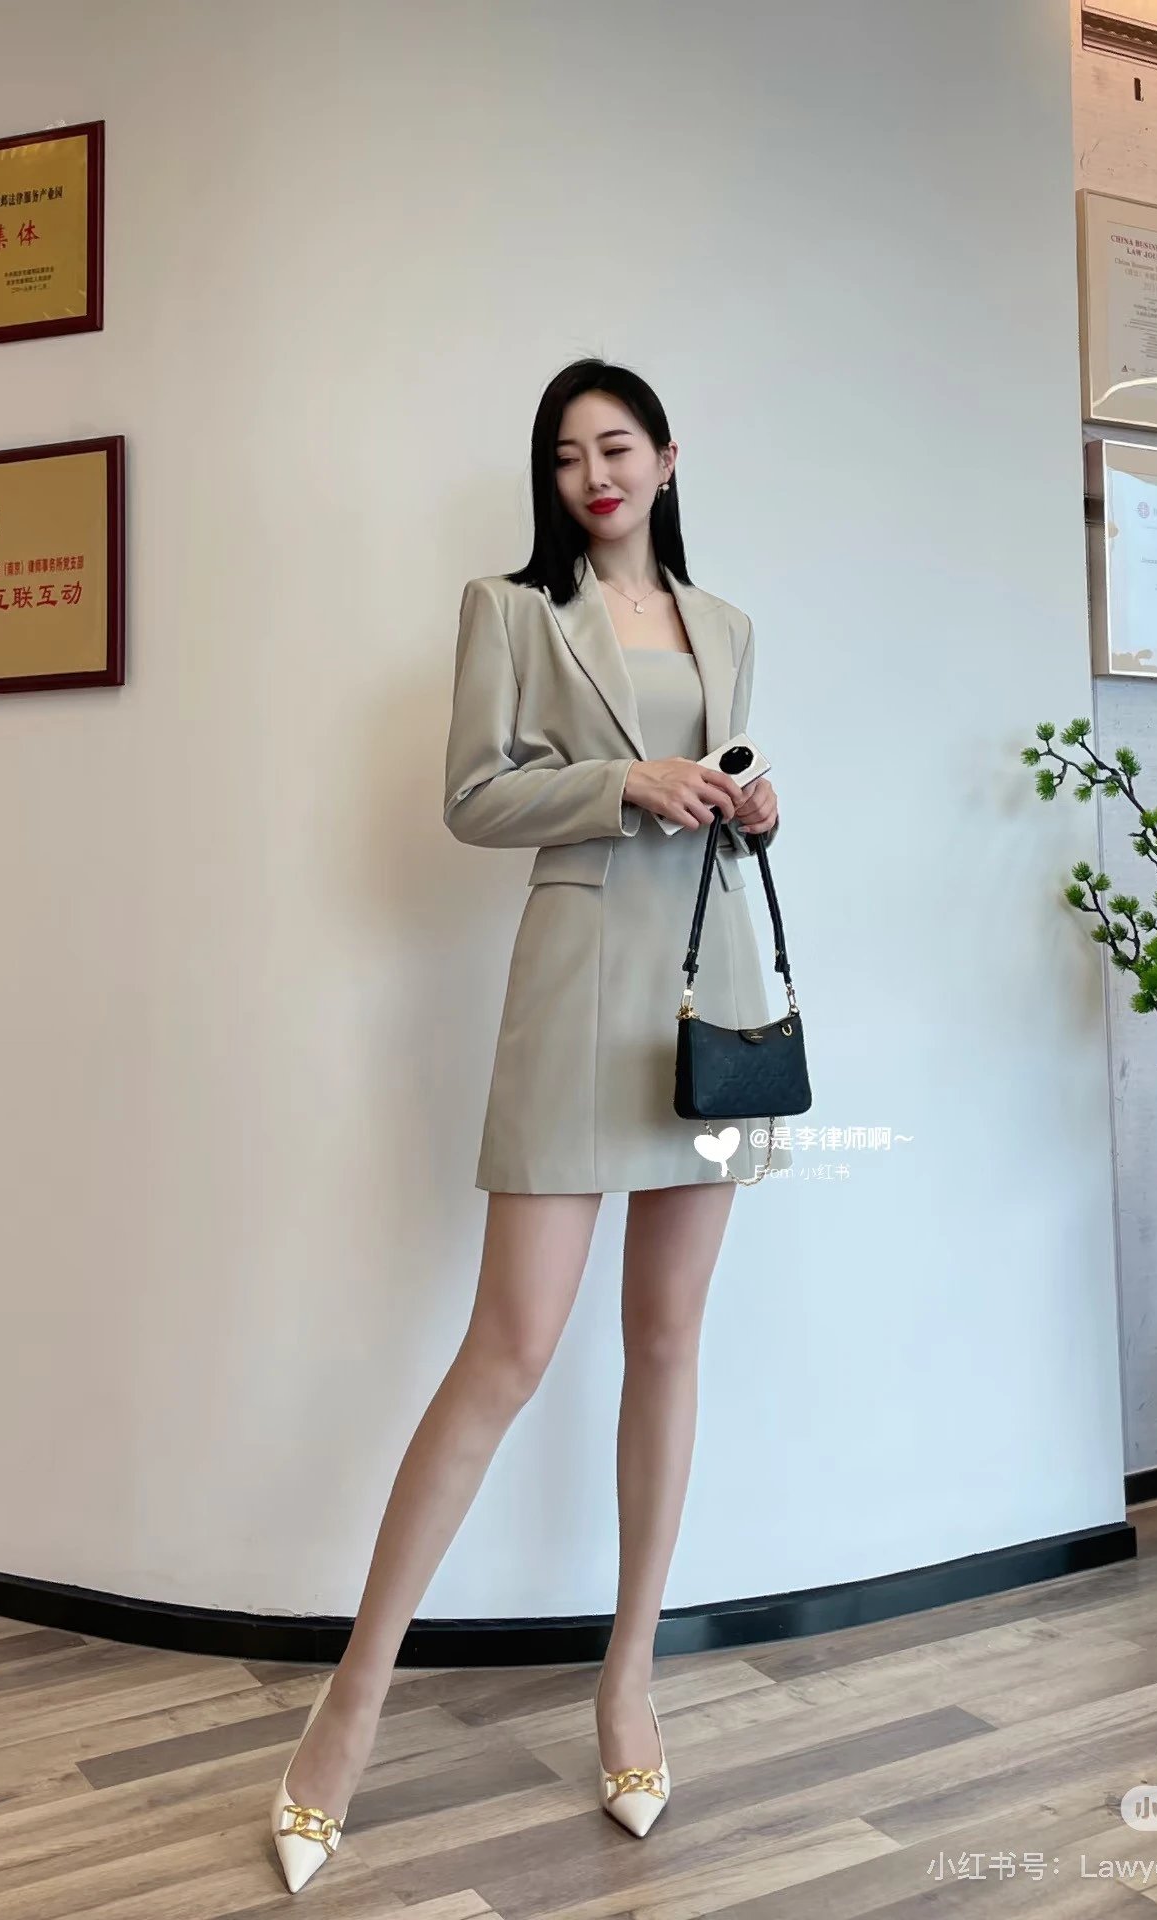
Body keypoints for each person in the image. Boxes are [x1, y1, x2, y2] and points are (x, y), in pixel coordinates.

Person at [269, 357, 780, 1894]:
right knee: (509, 1349)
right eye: (566, 455)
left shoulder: (728, 626)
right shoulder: (511, 613)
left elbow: (724, 787)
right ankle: (352, 1708)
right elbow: (474, 796)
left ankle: (629, 1681)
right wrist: (625, 780)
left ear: (669, 458)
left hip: (708, 990)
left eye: (616, 446)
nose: (593, 474)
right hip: (574, 992)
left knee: (670, 1341)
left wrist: (751, 806)